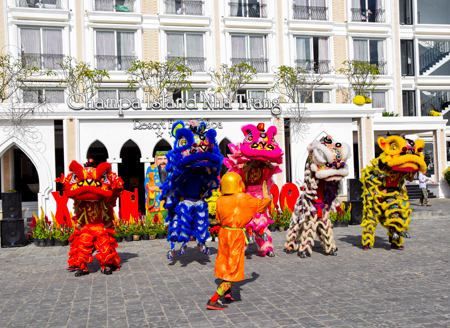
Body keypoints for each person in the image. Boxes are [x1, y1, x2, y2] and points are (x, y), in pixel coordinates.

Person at [206, 172, 271, 310]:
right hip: (235, 235)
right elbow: (262, 205)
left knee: (225, 261)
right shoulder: (244, 198)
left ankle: (227, 293)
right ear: (238, 184)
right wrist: (267, 197)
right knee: (233, 267)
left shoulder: (220, 199)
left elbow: (217, 217)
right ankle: (213, 300)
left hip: (223, 233)